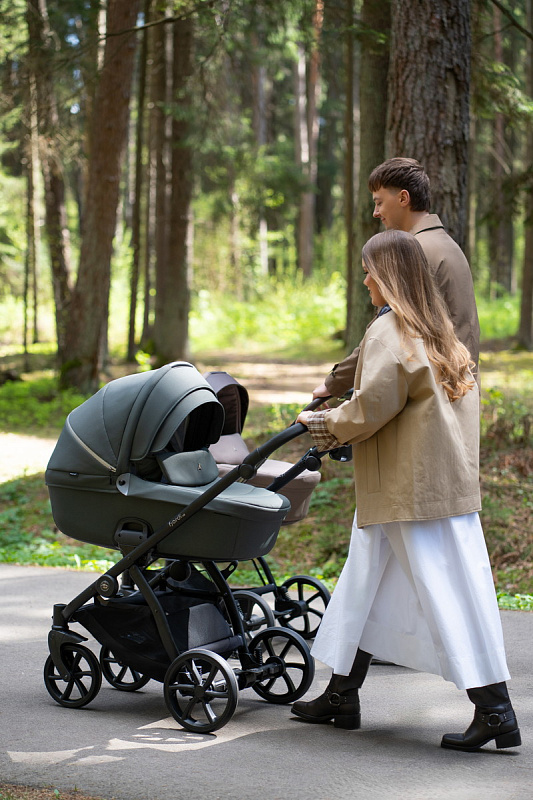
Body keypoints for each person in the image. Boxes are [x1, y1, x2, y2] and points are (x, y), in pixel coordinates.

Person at [292, 229, 520, 753]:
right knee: (365, 584)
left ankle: (495, 710)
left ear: (390, 275)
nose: (365, 281)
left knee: (446, 595)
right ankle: (341, 694)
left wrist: (321, 423)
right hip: (436, 485)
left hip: (406, 491)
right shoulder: (437, 328)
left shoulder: (389, 331)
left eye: (369, 272)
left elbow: (371, 407)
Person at [313, 157, 480, 400]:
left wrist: (334, 384)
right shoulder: (444, 244)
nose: (375, 212)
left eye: (379, 202)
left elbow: (386, 330)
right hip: (454, 389)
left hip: (436, 394)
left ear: (403, 198)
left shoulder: (416, 253)